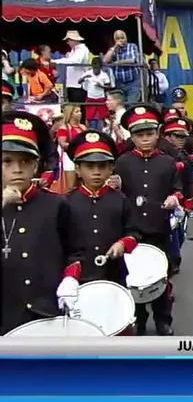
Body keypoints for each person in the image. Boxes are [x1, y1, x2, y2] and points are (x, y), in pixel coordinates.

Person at [1, 111, 84, 334]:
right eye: (7, 161)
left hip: (45, 312)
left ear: (36, 165)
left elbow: (75, 251)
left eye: (25, 161)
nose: (17, 169)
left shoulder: (56, 205)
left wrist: (70, 278)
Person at [115, 104, 184, 336]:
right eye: (139, 135)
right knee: (132, 277)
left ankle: (163, 319)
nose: (145, 139)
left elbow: (178, 189)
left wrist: (174, 198)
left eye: (149, 133)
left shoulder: (167, 162)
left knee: (160, 275)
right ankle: (138, 319)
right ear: (132, 137)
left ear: (157, 134)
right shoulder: (122, 162)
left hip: (158, 227)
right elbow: (117, 194)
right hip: (130, 228)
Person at [65, 130, 140, 283]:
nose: (96, 172)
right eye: (89, 167)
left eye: (102, 166)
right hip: (78, 277)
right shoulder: (66, 202)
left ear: (111, 168)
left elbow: (134, 232)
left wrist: (123, 243)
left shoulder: (120, 199)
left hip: (113, 274)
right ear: (78, 169)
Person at [161, 117, 193, 275]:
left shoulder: (182, 153)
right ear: (168, 137)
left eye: (183, 136)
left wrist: (190, 199)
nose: (182, 140)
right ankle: (171, 261)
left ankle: (174, 259)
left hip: (181, 198)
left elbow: (190, 179)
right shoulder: (162, 153)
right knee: (172, 233)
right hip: (166, 198)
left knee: (181, 233)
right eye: (177, 136)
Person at [103, 30, 142, 103]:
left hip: (132, 82)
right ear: (115, 40)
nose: (120, 40)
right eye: (118, 39)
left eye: (122, 38)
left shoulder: (132, 46)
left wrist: (117, 62)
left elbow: (133, 60)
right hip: (119, 83)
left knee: (131, 103)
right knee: (120, 105)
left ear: (126, 38)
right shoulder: (113, 50)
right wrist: (115, 47)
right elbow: (105, 60)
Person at [79, 57, 111, 130]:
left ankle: (102, 131)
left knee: (102, 117)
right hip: (90, 97)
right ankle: (87, 131)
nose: (95, 70)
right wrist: (85, 77)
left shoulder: (104, 75)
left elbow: (109, 86)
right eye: (94, 68)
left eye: (97, 68)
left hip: (100, 98)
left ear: (100, 67)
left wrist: (101, 86)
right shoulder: (88, 73)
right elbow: (79, 81)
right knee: (88, 117)